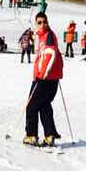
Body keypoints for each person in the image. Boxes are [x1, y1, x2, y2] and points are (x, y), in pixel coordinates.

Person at [24, 11, 63, 147]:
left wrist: (43, 74)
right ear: (36, 23)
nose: (42, 24)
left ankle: (31, 136)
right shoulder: (41, 36)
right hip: (49, 77)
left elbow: (50, 54)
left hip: (44, 79)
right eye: (39, 22)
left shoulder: (48, 36)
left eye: (44, 22)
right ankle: (49, 135)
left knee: (31, 106)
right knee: (44, 106)